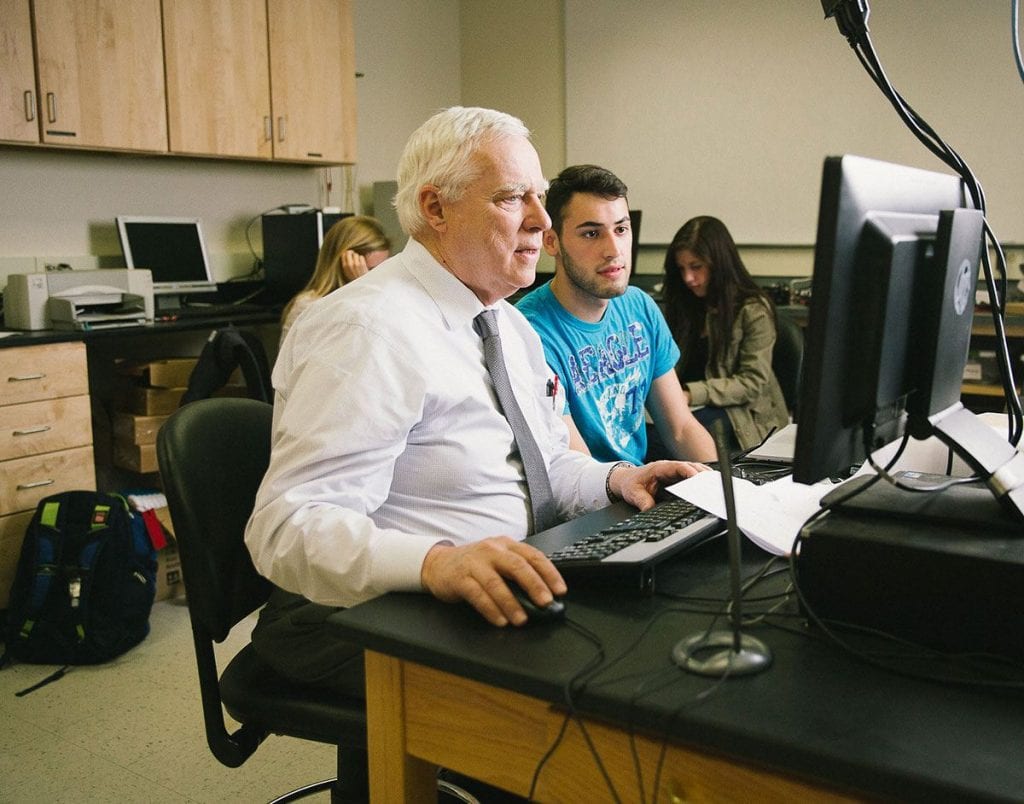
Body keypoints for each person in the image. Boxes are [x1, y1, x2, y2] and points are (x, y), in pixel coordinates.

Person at [244, 108, 708, 699]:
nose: (542, 222)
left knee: (661, 647)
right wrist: (437, 564)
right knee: (604, 702)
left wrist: (619, 480)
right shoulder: (367, 330)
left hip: (511, 577)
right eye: (514, 198)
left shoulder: (508, 325)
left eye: (539, 198)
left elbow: (542, 465)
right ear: (436, 208)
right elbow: (286, 528)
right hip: (367, 612)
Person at [516, 164, 716, 465]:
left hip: (639, 486)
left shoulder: (640, 307)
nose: (613, 249)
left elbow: (680, 429)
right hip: (588, 500)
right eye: (591, 233)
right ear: (551, 241)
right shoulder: (528, 333)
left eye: (621, 229)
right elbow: (577, 473)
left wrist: (720, 492)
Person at [661, 215, 789, 451]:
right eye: (682, 269)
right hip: (688, 404)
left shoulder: (753, 310)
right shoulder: (685, 304)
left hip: (741, 415)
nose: (688, 278)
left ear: (718, 264)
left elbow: (751, 383)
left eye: (696, 267)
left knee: (671, 438)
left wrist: (690, 394)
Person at [278, 215, 391, 343]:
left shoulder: (378, 300)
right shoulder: (309, 307)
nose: (377, 278)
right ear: (345, 262)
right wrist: (361, 287)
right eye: (370, 270)